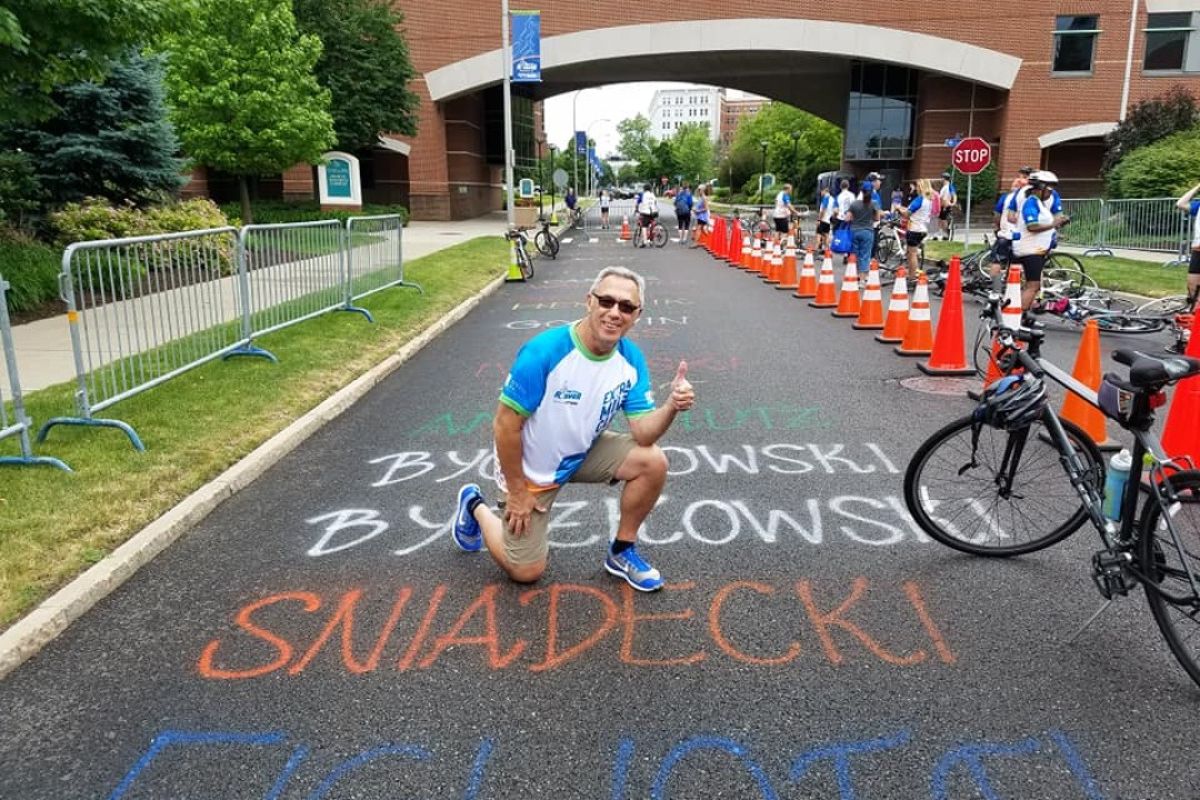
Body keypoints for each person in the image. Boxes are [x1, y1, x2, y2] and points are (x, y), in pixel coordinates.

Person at [451, 266, 696, 591]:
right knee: (526, 571)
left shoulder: (630, 359)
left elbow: (644, 434)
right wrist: (519, 491)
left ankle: (622, 551)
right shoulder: (545, 351)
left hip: (579, 451)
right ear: (589, 301)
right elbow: (505, 426)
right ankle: (475, 506)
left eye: (626, 307)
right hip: (529, 469)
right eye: (606, 301)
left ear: (637, 315)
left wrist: (671, 407)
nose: (614, 312)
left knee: (652, 461)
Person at [1013, 171, 1070, 315]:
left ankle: (1018, 314)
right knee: (1033, 286)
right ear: (1040, 188)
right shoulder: (1031, 203)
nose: (1051, 193)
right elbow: (1031, 226)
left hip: (1036, 250)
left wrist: (1058, 223)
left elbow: (1045, 224)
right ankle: (1018, 317)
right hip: (1030, 251)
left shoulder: (1039, 203)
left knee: (1031, 286)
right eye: (1049, 189)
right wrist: (1053, 224)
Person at [991, 167, 1033, 290]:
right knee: (1017, 266)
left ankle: (995, 291)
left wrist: (999, 228)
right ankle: (1012, 292)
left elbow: (997, 215)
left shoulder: (1007, 197)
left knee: (997, 263)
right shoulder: (1033, 198)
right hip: (1021, 238)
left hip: (1005, 236)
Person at [842, 184, 880, 274]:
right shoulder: (874, 204)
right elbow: (877, 218)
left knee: (855, 254)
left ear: (861, 191)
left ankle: (854, 275)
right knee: (865, 256)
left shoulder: (854, 204)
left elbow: (847, 218)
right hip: (868, 232)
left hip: (854, 231)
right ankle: (862, 279)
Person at [899, 179, 934, 275]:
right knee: (913, 253)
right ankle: (913, 272)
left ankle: (912, 276)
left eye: (918, 186)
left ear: (921, 187)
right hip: (923, 229)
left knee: (912, 255)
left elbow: (907, 214)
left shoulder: (919, 199)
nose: (917, 188)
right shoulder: (929, 200)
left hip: (914, 228)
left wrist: (899, 209)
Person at [1178, 181, 1200, 310]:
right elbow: (1180, 203)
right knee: (1192, 287)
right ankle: (1195, 318)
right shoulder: (1199, 206)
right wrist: (1197, 187)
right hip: (1197, 250)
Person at [937, 172, 958, 241]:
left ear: (944, 179)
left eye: (942, 178)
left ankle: (946, 235)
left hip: (945, 206)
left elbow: (954, 195)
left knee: (944, 221)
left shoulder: (949, 186)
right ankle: (940, 234)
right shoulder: (944, 187)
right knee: (940, 220)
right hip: (942, 206)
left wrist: (952, 203)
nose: (941, 179)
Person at [816, 186, 835, 251]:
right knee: (826, 235)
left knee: (818, 235)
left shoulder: (826, 198)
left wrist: (819, 219)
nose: (821, 193)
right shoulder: (832, 199)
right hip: (828, 220)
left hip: (823, 219)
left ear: (825, 191)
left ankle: (816, 250)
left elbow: (823, 209)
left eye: (821, 191)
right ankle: (827, 250)